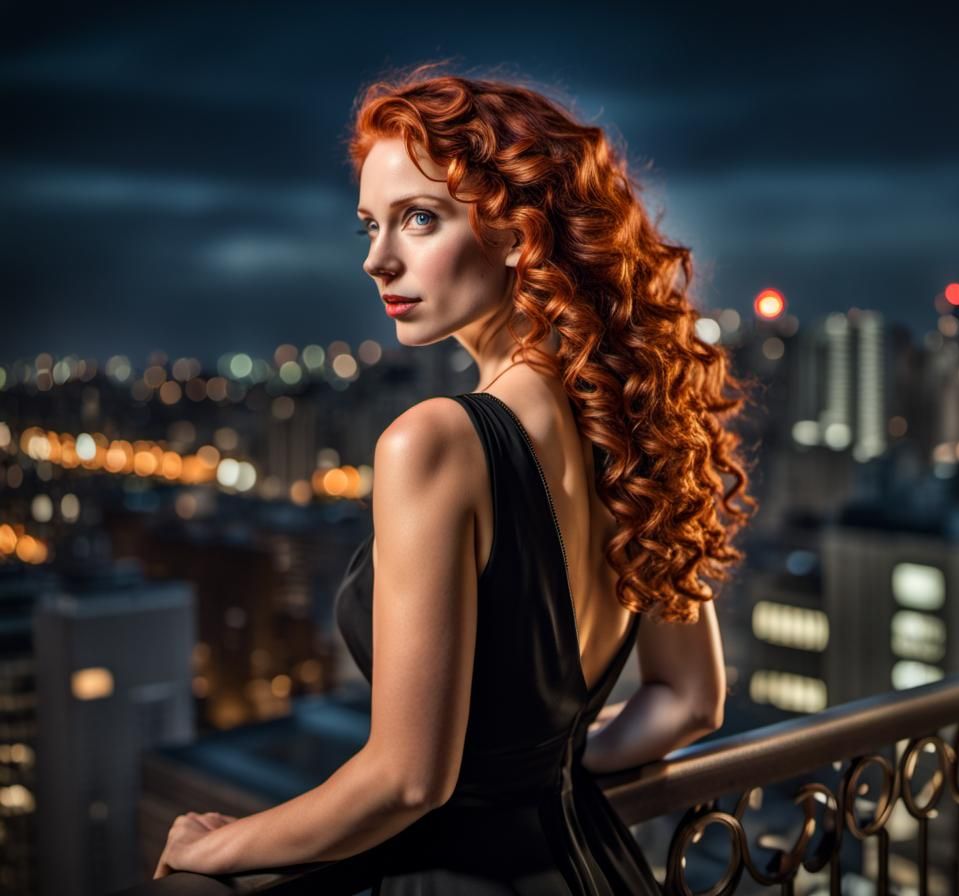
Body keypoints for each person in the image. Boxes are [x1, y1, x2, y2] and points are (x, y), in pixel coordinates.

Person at [153, 61, 759, 893]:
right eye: (369, 225)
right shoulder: (630, 425)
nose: (378, 260)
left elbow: (408, 780)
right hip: (594, 870)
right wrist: (542, 772)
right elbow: (691, 701)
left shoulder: (434, 443)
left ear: (518, 232)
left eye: (419, 220)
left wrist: (215, 847)